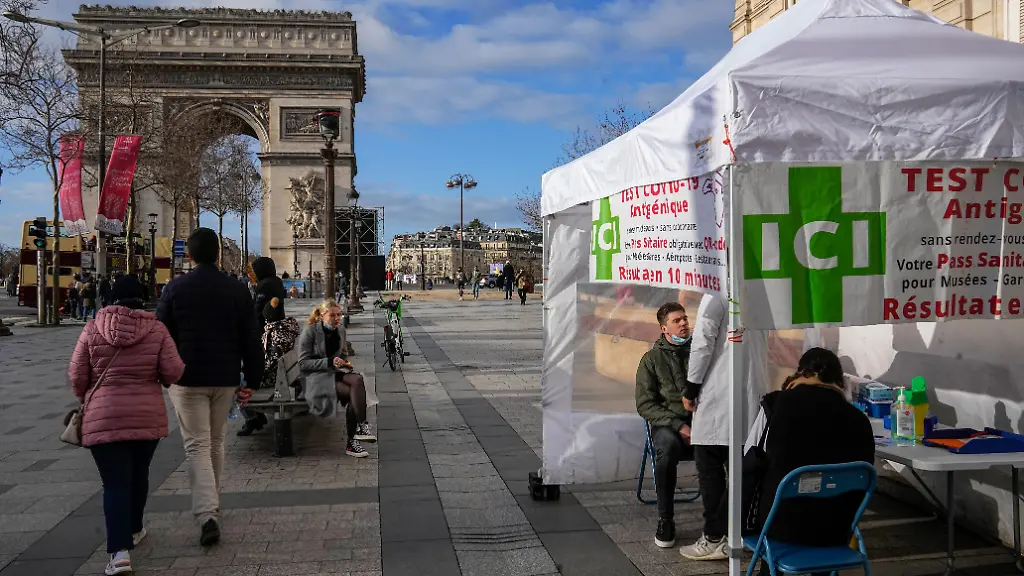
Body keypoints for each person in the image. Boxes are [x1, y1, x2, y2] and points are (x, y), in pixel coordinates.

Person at [68, 275, 185, 575]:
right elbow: (173, 372)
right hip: (146, 416)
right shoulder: (157, 329)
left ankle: (120, 554)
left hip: (103, 417)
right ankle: (134, 528)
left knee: (115, 483)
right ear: (142, 298)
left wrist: (88, 396)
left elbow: (77, 375)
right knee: (139, 474)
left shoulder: (92, 327)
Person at [156, 228, 263, 547]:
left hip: (186, 379)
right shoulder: (237, 289)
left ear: (189, 255)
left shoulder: (174, 289)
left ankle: (206, 515)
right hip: (225, 376)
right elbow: (251, 338)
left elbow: (161, 336)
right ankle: (211, 505)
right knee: (215, 441)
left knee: (197, 445)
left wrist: (162, 374)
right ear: (218, 253)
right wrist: (253, 381)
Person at [745, 348, 875, 576]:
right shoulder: (859, 419)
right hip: (836, 529)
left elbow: (750, 456)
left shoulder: (776, 404)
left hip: (780, 527)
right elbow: (865, 477)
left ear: (802, 374)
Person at [679, 293, 769, 561]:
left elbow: (702, 342)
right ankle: (733, 533)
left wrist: (691, 387)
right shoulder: (762, 289)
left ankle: (714, 536)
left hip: (719, 395)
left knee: (711, 473)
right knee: (740, 474)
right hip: (750, 394)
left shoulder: (716, 292)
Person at [635, 302, 695, 549]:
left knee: (735, 449)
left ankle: (727, 520)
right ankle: (666, 519)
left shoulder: (701, 352)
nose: (683, 323)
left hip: (703, 420)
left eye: (685, 319)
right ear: (664, 328)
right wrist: (679, 425)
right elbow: (645, 404)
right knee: (666, 450)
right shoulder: (651, 359)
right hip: (668, 424)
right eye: (676, 320)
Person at [297, 300, 376, 457]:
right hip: (315, 378)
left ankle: (361, 427)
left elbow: (343, 354)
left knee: (358, 380)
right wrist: (328, 362)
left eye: (339, 314)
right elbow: (303, 363)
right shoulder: (310, 331)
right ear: (321, 316)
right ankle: (353, 442)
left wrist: (344, 363)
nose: (337, 318)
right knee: (354, 393)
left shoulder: (340, 330)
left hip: (334, 372)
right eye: (332, 315)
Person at [238, 297, 302, 436]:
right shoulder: (285, 329)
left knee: (236, 383)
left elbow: (272, 362)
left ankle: (251, 418)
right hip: (281, 375)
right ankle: (256, 416)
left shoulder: (275, 333)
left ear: (268, 318)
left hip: (274, 378)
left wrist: (252, 371)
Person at [249, 257, 286, 333]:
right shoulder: (277, 281)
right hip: (276, 324)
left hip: (264, 327)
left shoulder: (264, 285)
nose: (252, 274)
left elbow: (258, 309)